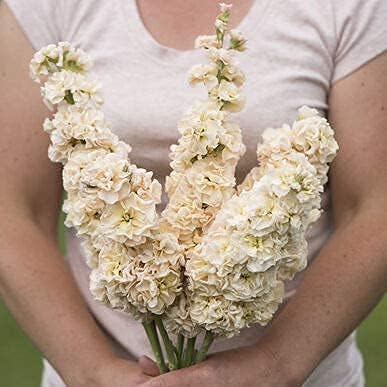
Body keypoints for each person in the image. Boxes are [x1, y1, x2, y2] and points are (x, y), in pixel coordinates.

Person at [1, 0, 387, 386]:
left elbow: (376, 208)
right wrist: (93, 372)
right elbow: (13, 212)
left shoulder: (347, 7)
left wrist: (277, 364)